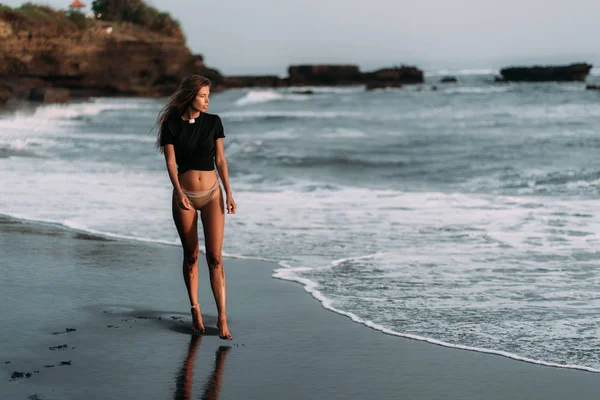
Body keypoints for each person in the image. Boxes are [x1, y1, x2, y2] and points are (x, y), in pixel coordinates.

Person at [156, 75, 236, 340]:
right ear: (190, 95)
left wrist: (229, 192)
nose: (207, 100)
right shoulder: (171, 126)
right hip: (185, 196)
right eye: (203, 95)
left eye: (208, 95)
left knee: (215, 256)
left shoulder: (214, 122)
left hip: (213, 194)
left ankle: (222, 316)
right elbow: (170, 162)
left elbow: (221, 160)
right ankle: (195, 310)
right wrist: (178, 192)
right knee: (191, 255)